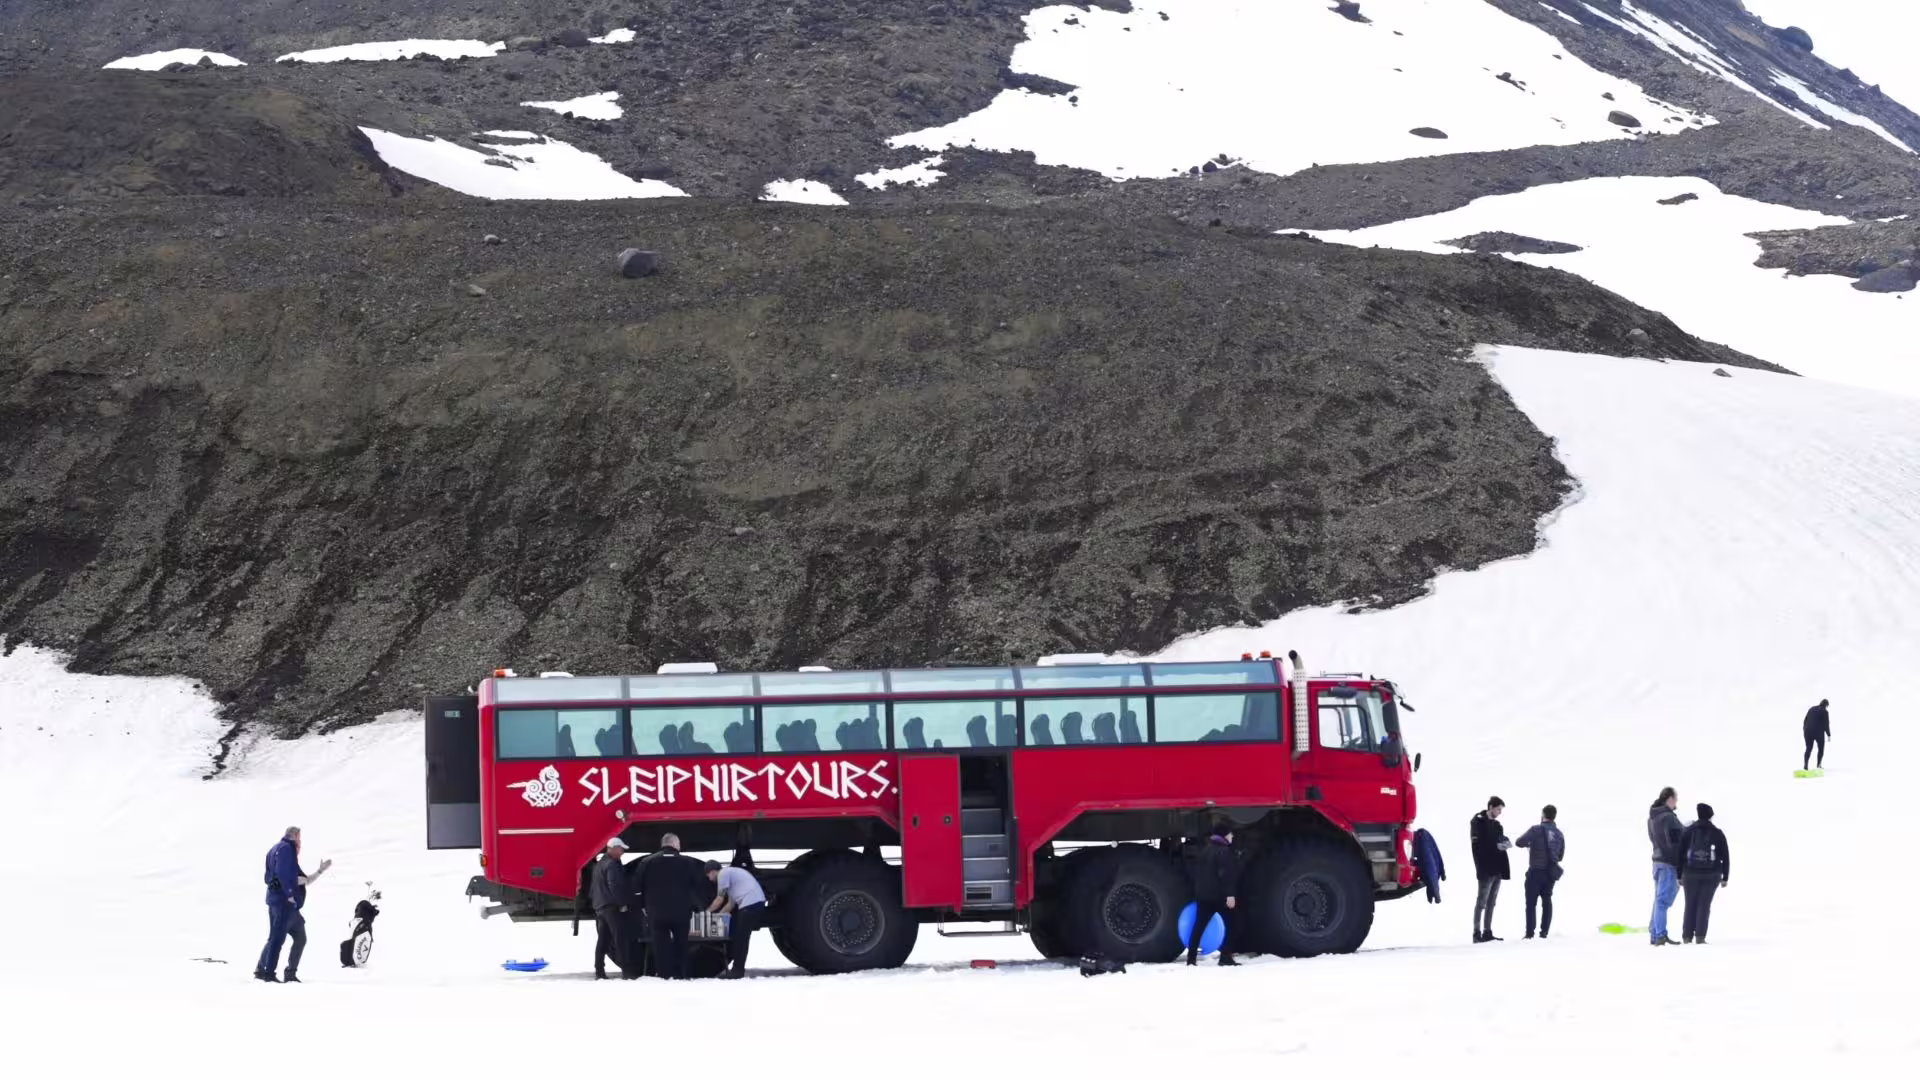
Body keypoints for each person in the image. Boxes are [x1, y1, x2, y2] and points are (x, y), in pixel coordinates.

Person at [257, 825, 330, 983]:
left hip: (284, 904)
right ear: (295, 836)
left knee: (297, 937)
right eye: (299, 838)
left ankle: (279, 972)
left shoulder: (276, 850)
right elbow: (283, 875)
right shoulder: (286, 849)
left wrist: (320, 871)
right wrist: (289, 893)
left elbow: (273, 876)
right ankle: (268, 973)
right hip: (285, 903)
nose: (300, 842)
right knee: (277, 938)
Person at [635, 832, 705, 979]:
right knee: (682, 943)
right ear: (674, 844)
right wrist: (695, 907)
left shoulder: (647, 862)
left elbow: (637, 887)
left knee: (660, 945)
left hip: (656, 912)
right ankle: (683, 974)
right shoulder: (687, 862)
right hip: (681, 912)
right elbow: (697, 887)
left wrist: (643, 907)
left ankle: (664, 975)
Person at [1186, 822, 1241, 966]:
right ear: (1224, 835)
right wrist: (1230, 895)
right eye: (1230, 833)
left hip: (1203, 896)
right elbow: (1226, 874)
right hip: (1219, 897)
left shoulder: (1205, 850)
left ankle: (1191, 960)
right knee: (1234, 924)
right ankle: (1226, 957)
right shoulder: (1224, 851)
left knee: (1198, 927)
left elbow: (1196, 873)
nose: (1232, 836)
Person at [1678, 804, 1731, 944]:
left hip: (1690, 873)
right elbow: (1725, 856)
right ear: (1710, 816)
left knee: (1690, 904)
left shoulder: (1688, 831)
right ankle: (1700, 937)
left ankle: (1687, 936)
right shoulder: (1717, 833)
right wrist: (1725, 876)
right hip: (1711, 874)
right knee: (1704, 905)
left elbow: (1680, 853)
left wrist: (1679, 874)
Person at [706, 861, 768, 979]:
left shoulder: (723, 874)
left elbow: (719, 899)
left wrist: (706, 913)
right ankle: (737, 969)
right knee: (739, 937)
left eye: (708, 875)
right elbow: (730, 904)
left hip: (750, 904)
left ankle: (737, 971)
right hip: (754, 903)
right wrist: (717, 917)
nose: (709, 879)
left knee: (741, 939)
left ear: (713, 871)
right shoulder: (731, 877)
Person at [1513, 804, 1565, 940]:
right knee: (1547, 901)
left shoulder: (1536, 829)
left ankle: (1530, 933)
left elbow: (1519, 842)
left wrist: (1530, 844)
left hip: (1535, 872)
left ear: (1543, 814)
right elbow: (1560, 856)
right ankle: (1544, 933)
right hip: (1550, 874)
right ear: (1554, 816)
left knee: (1531, 903)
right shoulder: (1559, 834)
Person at [590, 838, 637, 980]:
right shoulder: (612, 865)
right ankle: (627, 972)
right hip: (611, 907)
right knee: (620, 939)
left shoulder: (599, 865)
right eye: (621, 849)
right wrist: (621, 903)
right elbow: (614, 885)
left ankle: (599, 971)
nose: (622, 852)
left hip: (600, 907)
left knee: (603, 940)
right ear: (613, 848)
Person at [1469, 796, 1512, 943]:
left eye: (1501, 810)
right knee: (1481, 901)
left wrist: (1505, 843)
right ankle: (1476, 933)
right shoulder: (1478, 822)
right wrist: (1496, 846)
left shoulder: (1497, 825)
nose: (1500, 812)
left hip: (1497, 867)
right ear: (1490, 807)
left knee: (1492, 902)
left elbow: (1499, 839)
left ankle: (1487, 931)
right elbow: (1477, 846)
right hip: (1485, 868)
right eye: (1498, 809)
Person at [1648, 787, 1684, 946]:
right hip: (1668, 862)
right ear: (1669, 799)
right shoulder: (1669, 818)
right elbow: (1677, 842)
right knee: (1663, 901)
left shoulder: (1652, 818)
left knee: (1658, 900)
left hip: (1656, 861)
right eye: (1675, 799)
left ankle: (1655, 934)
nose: (1676, 803)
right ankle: (1661, 935)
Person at [1802, 699, 1831, 770]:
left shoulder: (1811, 708)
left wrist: (1805, 729)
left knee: (1808, 748)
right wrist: (1828, 734)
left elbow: (1805, 720)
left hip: (1807, 731)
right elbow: (1826, 724)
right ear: (1826, 705)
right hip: (1818, 732)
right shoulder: (1825, 712)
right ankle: (1818, 766)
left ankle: (1805, 765)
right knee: (1821, 749)